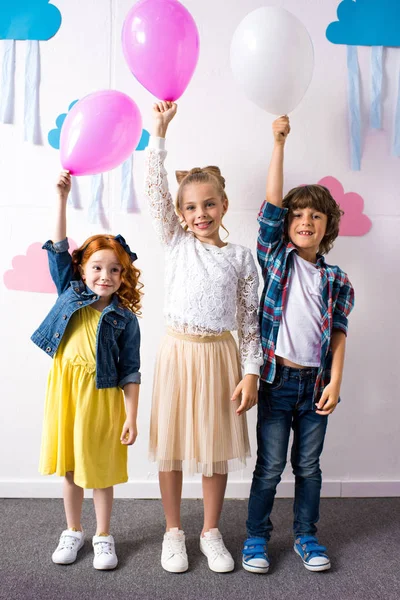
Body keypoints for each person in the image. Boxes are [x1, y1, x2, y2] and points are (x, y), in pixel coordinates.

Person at [144, 101, 263, 573]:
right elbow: (155, 192)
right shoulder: (176, 243)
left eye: (209, 204)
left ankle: (210, 531)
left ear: (224, 206)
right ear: (179, 214)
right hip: (177, 352)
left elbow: (251, 320)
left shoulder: (239, 257)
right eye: (190, 207)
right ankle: (174, 531)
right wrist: (159, 135)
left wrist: (250, 371)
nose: (200, 213)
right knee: (171, 445)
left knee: (215, 451)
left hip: (219, 357)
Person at [242, 116, 355, 574]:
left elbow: (340, 333)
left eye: (316, 215)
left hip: (315, 386)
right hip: (276, 381)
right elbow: (271, 205)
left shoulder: (336, 279)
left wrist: (336, 382)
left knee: (308, 467)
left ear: (327, 226)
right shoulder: (276, 258)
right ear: (287, 224)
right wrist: (278, 144)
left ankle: (307, 536)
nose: (305, 221)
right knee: (270, 467)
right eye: (298, 214)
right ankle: (256, 538)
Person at [31, 172, 142, 570]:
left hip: (101, 396)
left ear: (123, 276)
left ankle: (103, 536)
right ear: (82, 271)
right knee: (71, 466)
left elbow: (131, 370)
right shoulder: (69, 293)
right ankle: (73, 530)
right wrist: (62, 198)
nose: (105, 277)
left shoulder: (124, 319)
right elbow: (59, 249)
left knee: (99, 469)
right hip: (65, 392)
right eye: (96, 268)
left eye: (114, 270)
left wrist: (131, 415)